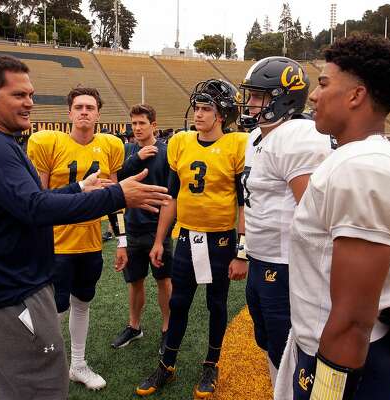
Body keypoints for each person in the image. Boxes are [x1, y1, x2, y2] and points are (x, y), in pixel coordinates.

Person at [0, 54, 170, 400]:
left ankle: (80, 362)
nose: (29, 103)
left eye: (31, 95)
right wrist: (117, 194)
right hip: (14, 288)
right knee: (40, 379)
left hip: (24, 275)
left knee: (21, 378)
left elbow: (28, 199)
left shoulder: (0, 141)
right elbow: (34, 205)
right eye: (18, 95)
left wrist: (79, 189)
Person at [274, 34, 390, 400]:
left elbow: (353, 316)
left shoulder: (364, 169)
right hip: (354, 345)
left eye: (324, 83)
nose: (313, 95)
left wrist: (327, 387)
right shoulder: (367, 158)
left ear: (356, 96)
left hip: (346, 359)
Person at [135, 79, 248, 398]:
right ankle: (166, 365)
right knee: (179, 301)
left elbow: (244, 202)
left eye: (206, 109)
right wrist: (159, 240)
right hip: (188, 237)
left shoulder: (236, 145)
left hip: (222, 241)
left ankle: (211, 364)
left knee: (216, 303)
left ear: (222, 114)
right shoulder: (182, 142)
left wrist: (242, 251)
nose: (198, 114)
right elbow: (171, 197)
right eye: (196, 108)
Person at [237, 57, 331, 389]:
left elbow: (313, 213)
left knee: (289, 347)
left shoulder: (297, 136)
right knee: (269, 341)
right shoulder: (256, 138)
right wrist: (244, 250)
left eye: (259, 96)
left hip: (288, 266)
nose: (250, 103)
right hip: (261, 260)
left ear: (283, 98)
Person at [27, 87, 124, 391]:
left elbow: (116, 199)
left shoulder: (110, 146)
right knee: (50, 309)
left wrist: (122, 240)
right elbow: (37, 199)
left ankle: (77, 364)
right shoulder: (49, 143)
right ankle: (44, 365)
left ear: (98, 114)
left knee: (83, 302)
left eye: (90, 107)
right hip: (55, 244)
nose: (84, 112)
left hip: (90, 242)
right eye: (79, 107)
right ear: (69, 113)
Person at [111, 104, 173, 354]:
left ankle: (168, 329)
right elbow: (116, 182)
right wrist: (137, 158)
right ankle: (134, 326)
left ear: (153, 125)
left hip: (158, 228)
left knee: (163, 280)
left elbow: (171, 196)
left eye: (142, 123)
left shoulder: (167, 153)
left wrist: (162, 235)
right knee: (135, 281)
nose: (137, 128)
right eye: (134, 123)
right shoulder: (127, 151)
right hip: (133, 227)